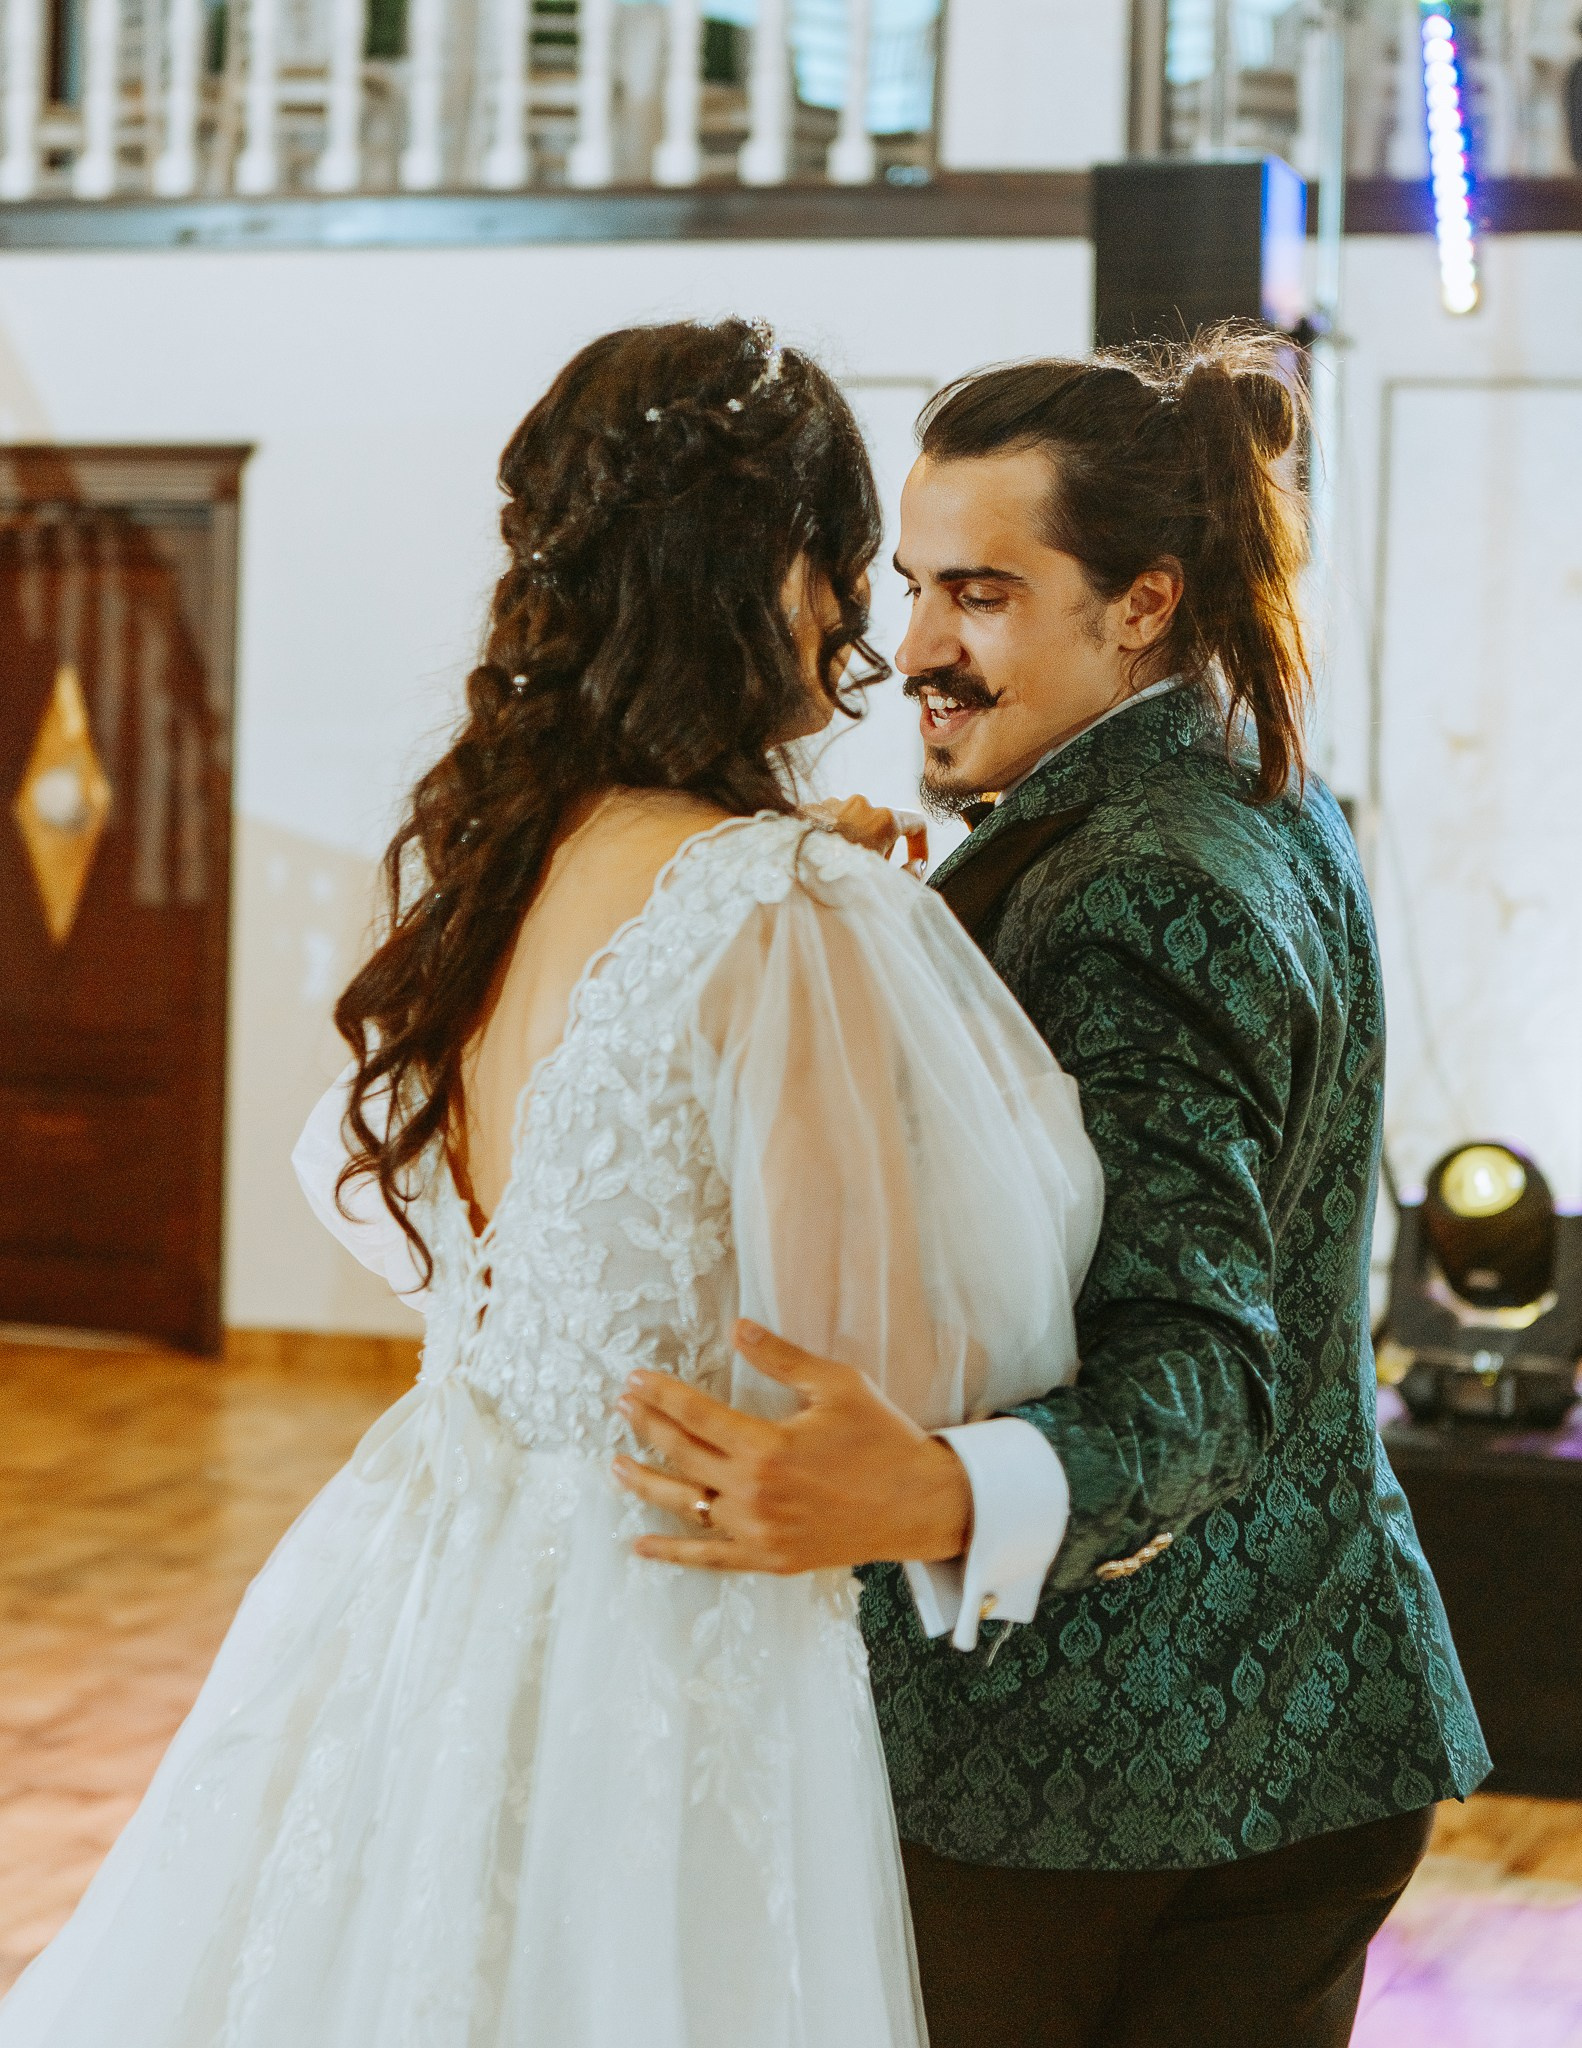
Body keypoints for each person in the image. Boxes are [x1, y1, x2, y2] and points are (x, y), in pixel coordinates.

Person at [0, 318, 1104, 2048]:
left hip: (431, 1561)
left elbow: (402, 1205)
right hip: (669, 1607)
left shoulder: (489, 866)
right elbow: (902, 1360)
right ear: (775, 575)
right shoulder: (782, 909)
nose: (860, 621)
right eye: (848, 565)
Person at [617, 329, 1492, 2048]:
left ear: (1142, 603)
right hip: (1300, 1715)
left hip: (1108, 1784)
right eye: (913, 587)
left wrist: (937, 1489)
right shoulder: (1245, 783)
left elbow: (1202, 1365)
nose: (915, 650)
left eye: (984, 594)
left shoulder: (1135, 885)